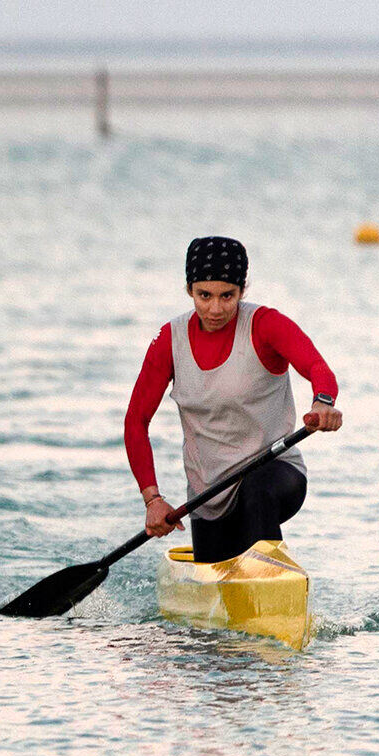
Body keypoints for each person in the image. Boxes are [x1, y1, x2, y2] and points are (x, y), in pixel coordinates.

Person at [123, 236, 343, 563]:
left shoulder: (265, 325)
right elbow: (136, 422)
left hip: (275, 473)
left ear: (242, 290)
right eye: (204, 295)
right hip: (207, 496)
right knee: (217, 584)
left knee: (257, 490)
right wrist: (153, 500)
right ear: (189, 290)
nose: (215, 308)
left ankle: (271, 582)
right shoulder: (170, 340)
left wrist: (323, 402)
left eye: (228, 296)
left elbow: (316, 366)